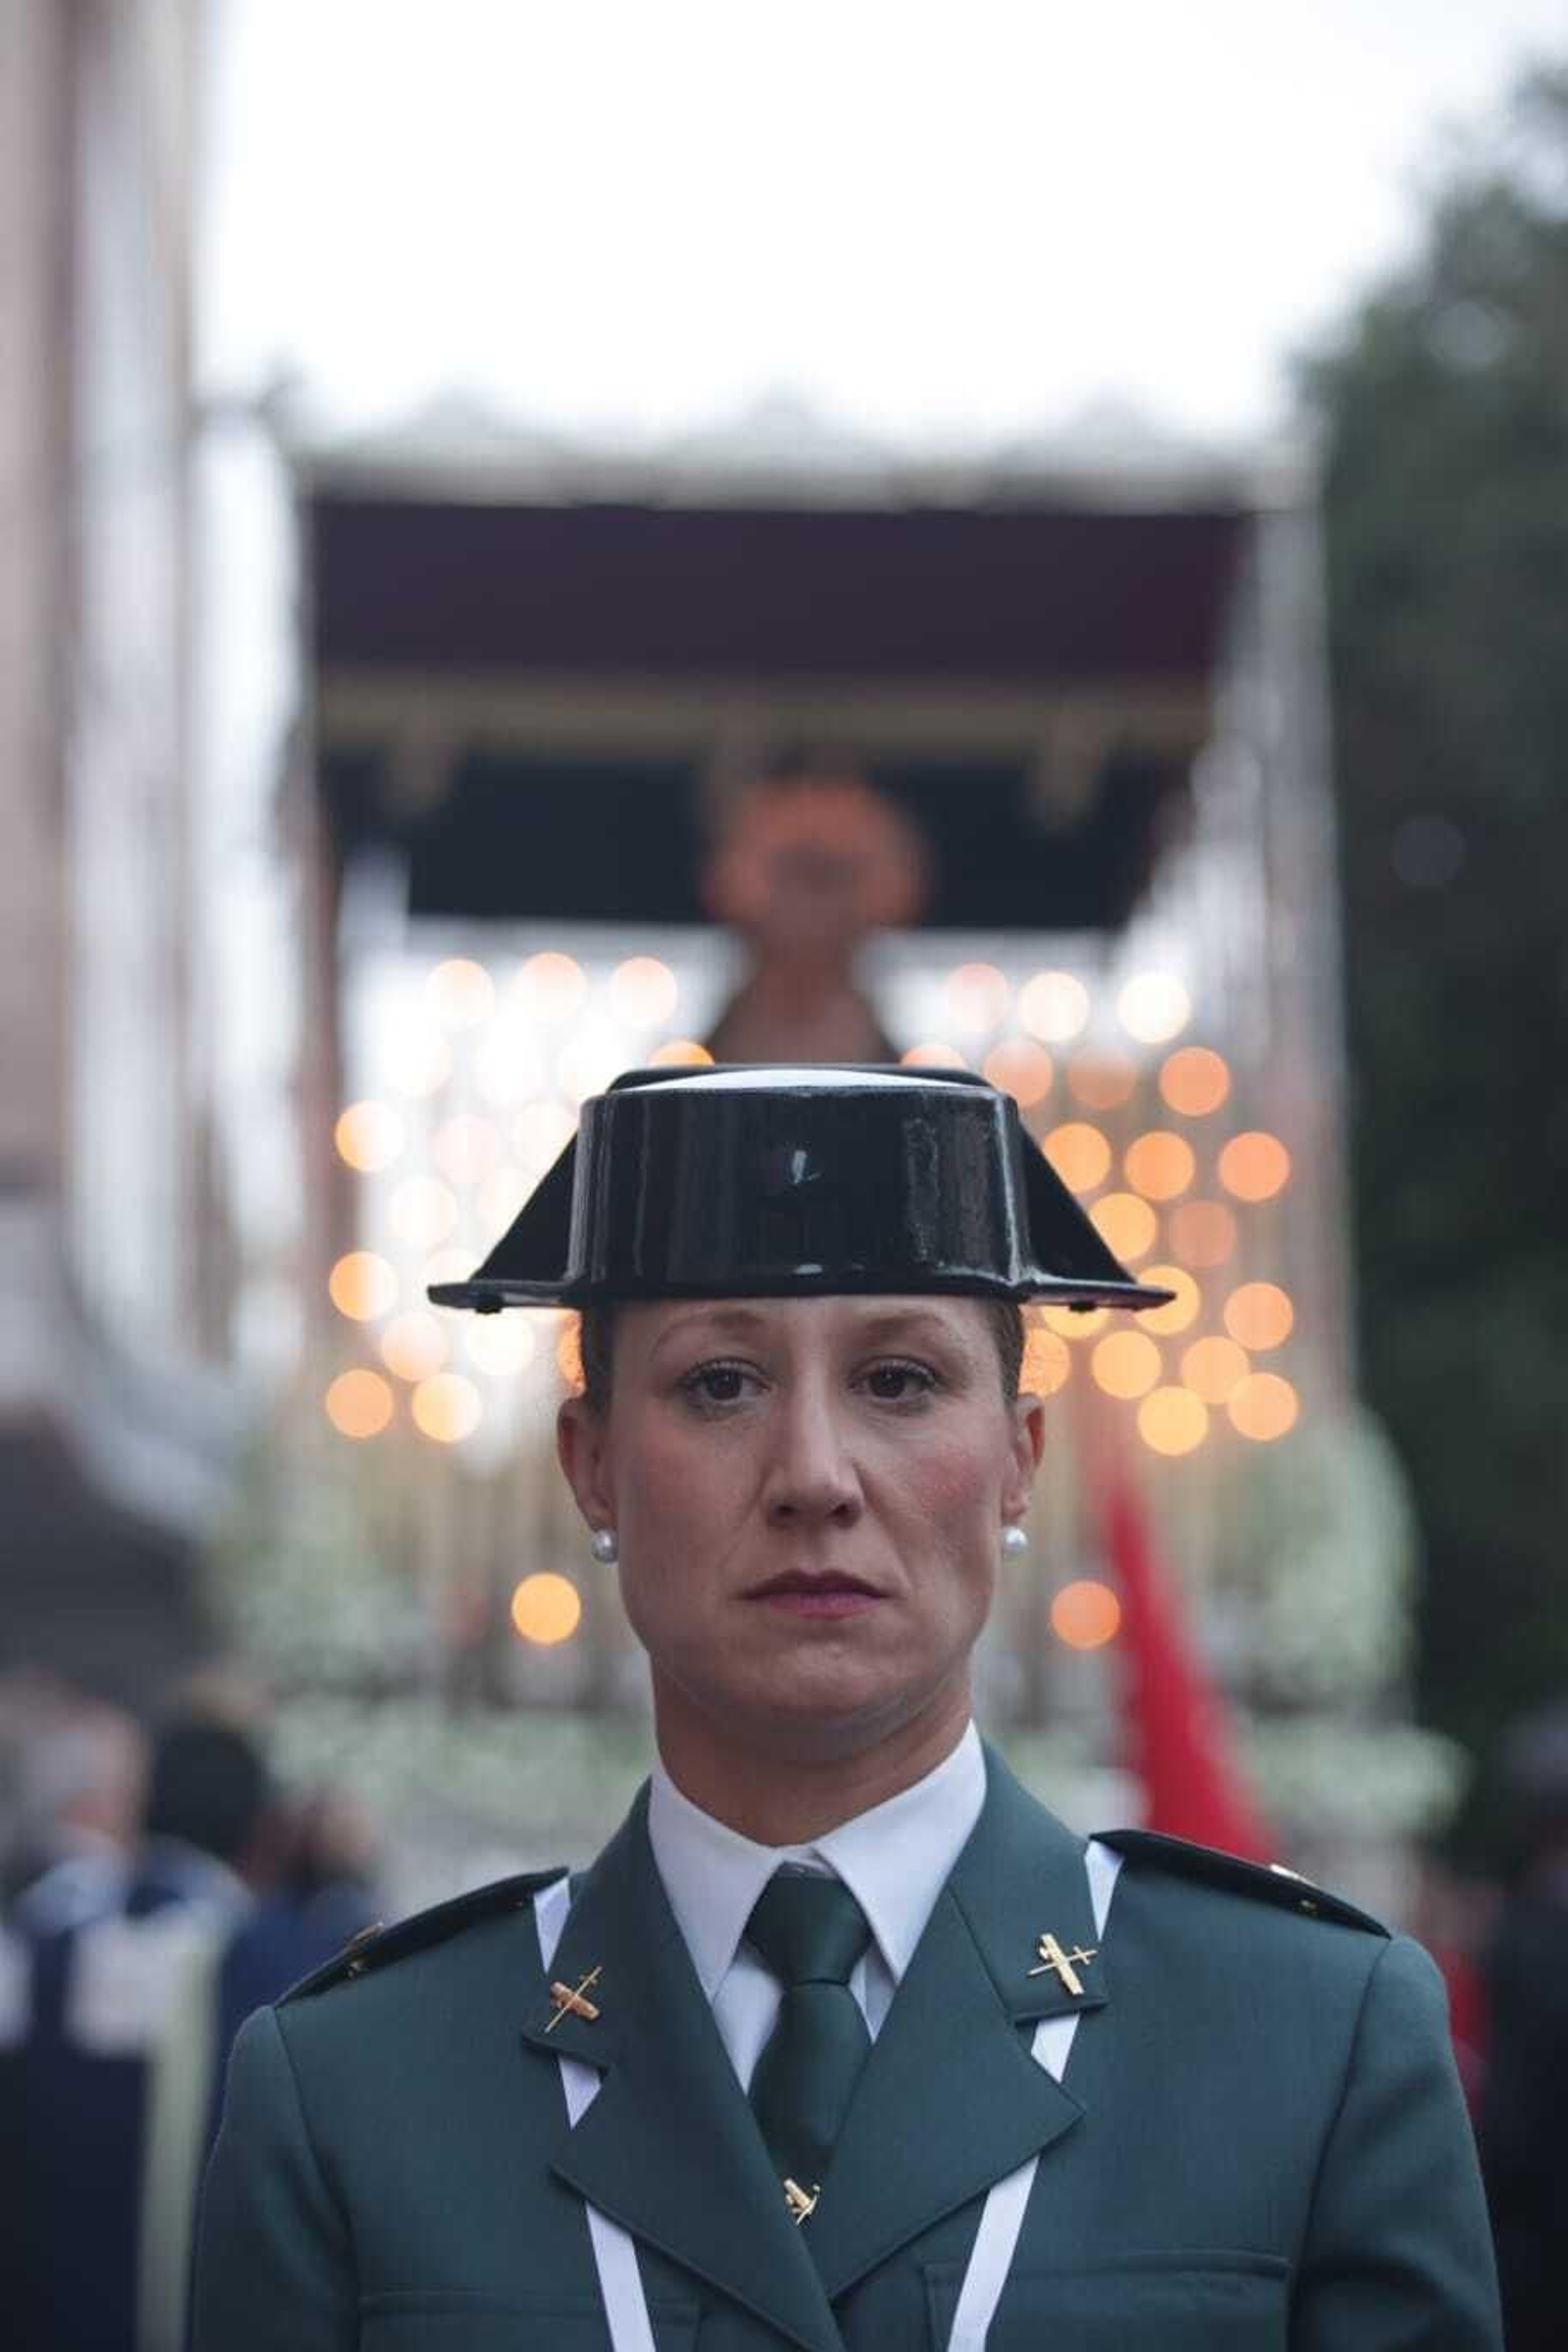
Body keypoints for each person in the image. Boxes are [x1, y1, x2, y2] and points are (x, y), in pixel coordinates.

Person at [194, 1065, 1502, 2349]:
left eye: (899, 1382)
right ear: (591, 1468)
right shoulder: (362, 2088)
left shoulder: (1302, 2037)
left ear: (1018, 1459)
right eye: (721, 1383)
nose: (814, 1476)